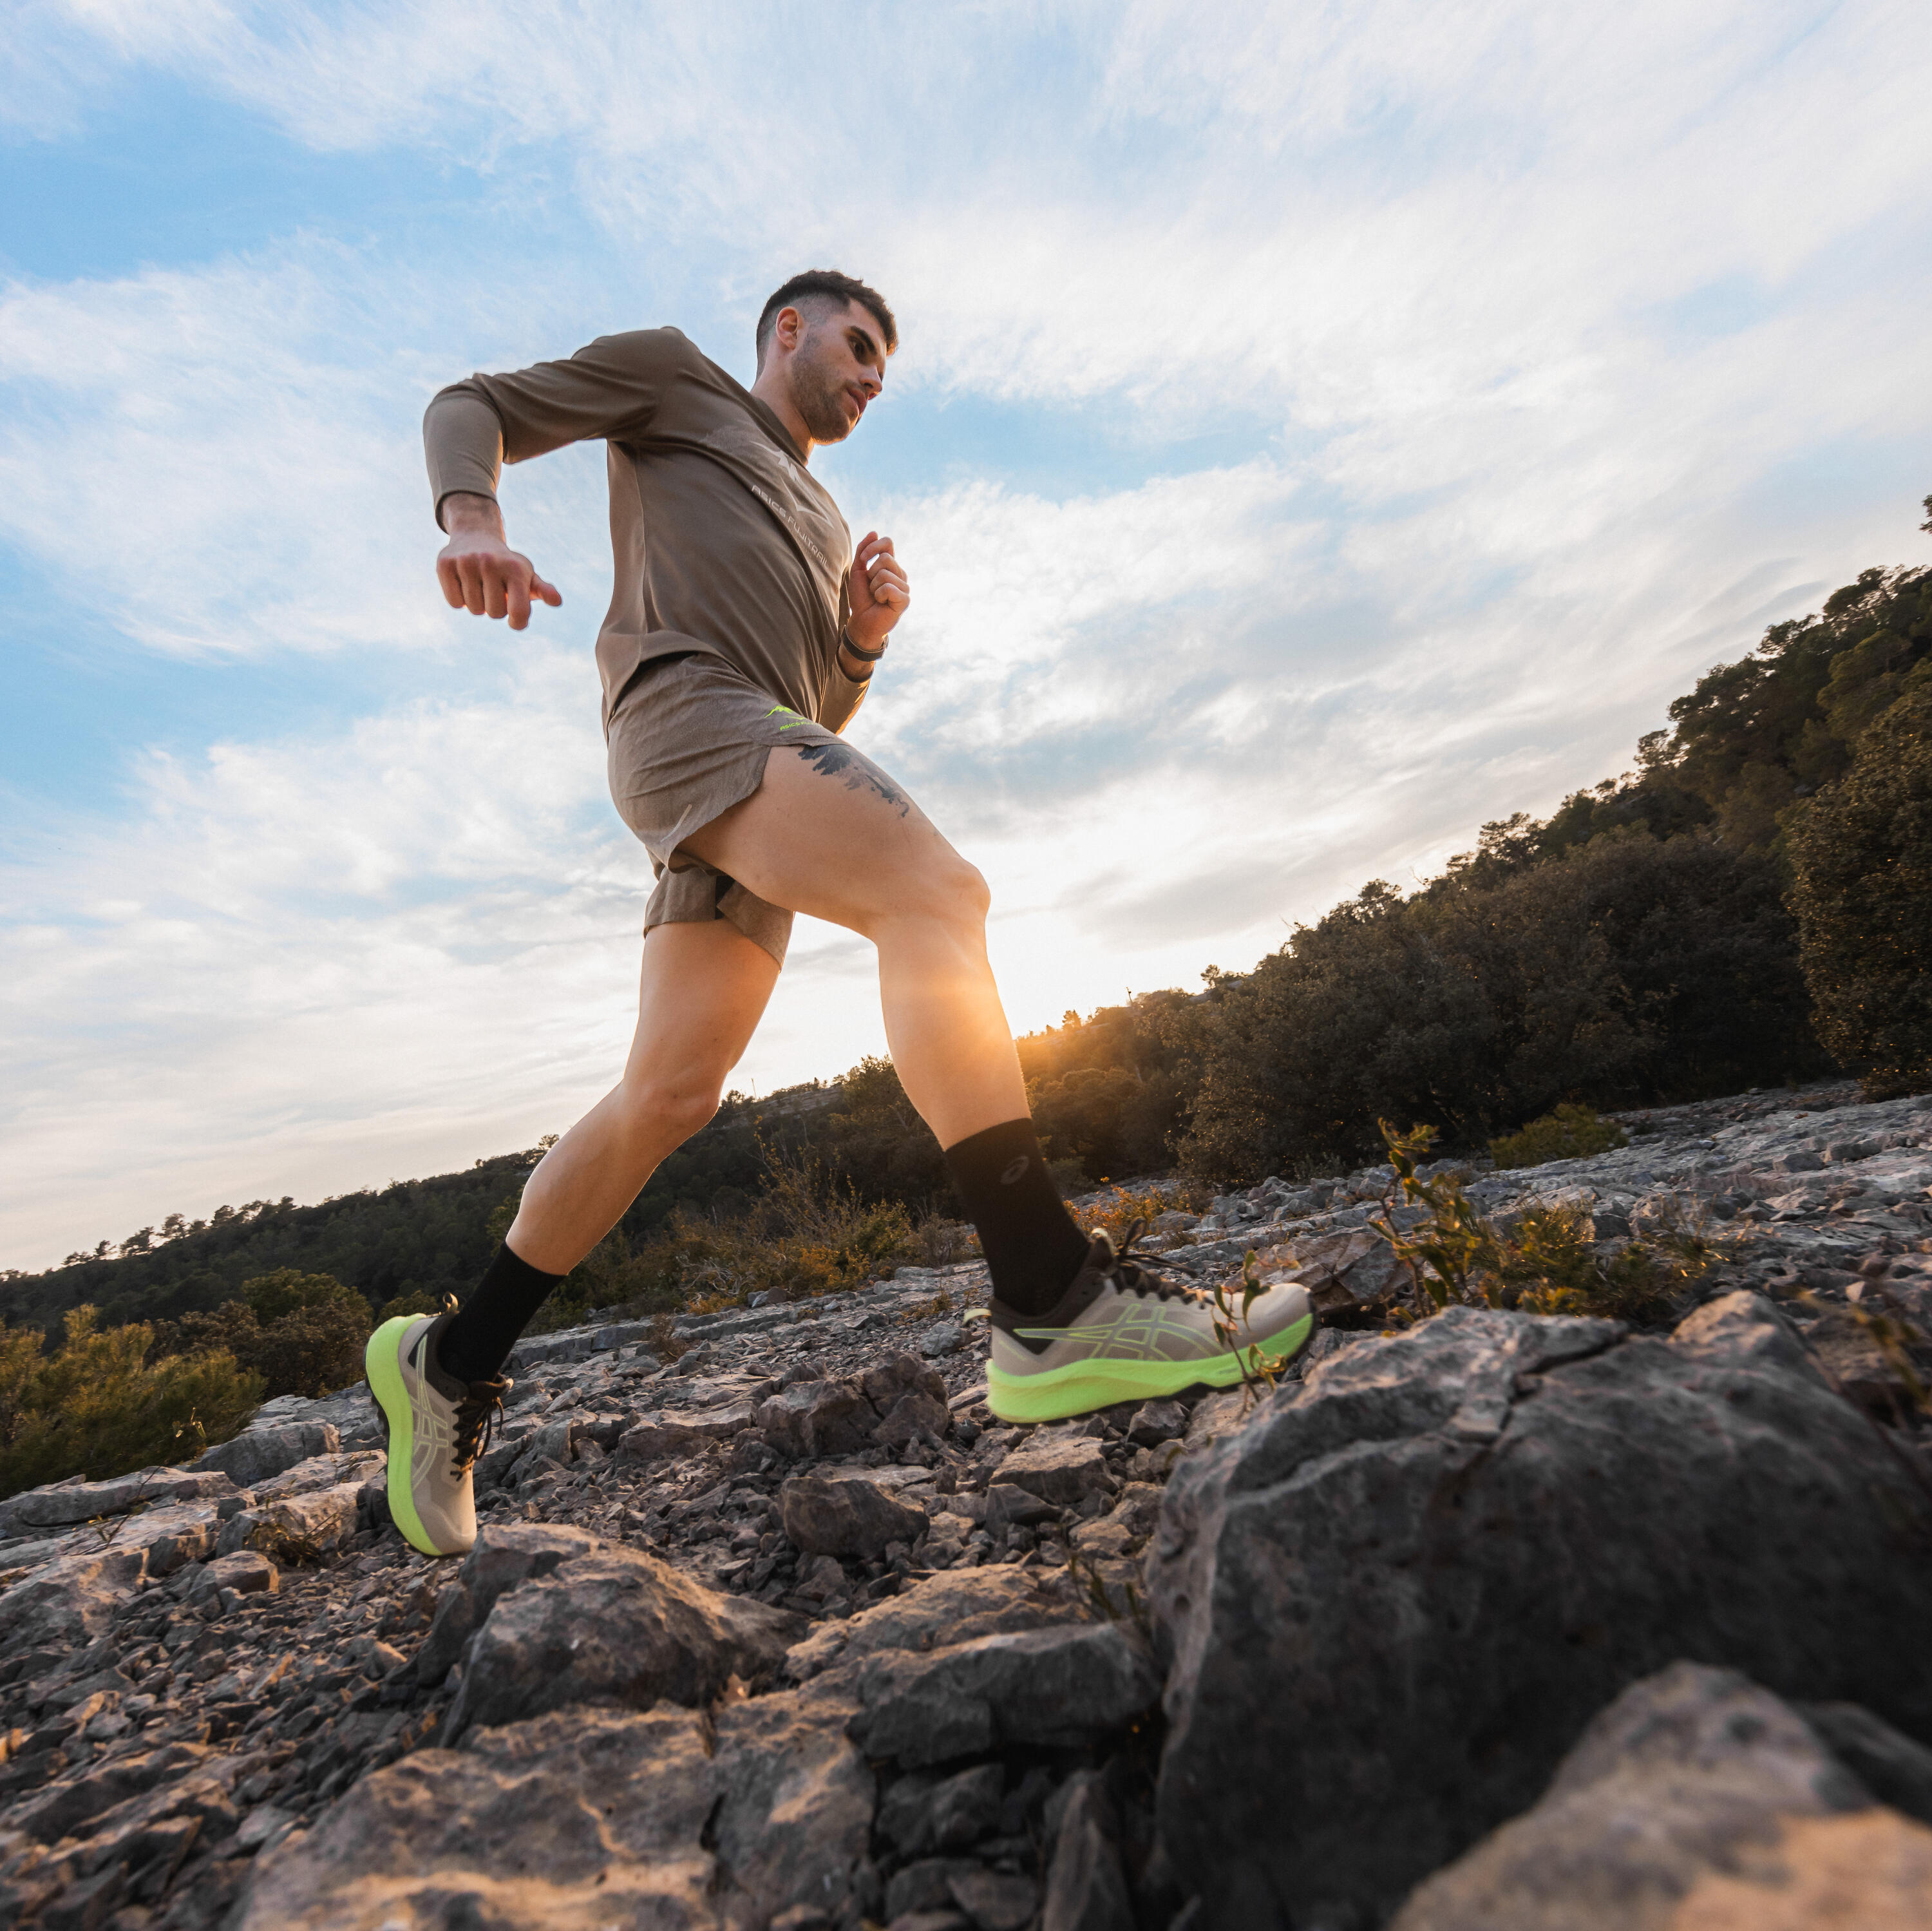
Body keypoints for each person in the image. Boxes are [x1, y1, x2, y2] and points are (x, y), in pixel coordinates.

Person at [365, 270, 1313, 1557]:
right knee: (939, 891)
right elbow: (465, 401)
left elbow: (814, 723)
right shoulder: (673, 374)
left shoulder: (823, 513)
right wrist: (472, 514)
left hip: (748, 751)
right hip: (685, 714)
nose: (870, 375)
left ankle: (454, 1355)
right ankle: (1050, 1292)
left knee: (669, 1094)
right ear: (790, 331)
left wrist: (858, 640)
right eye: (858, 346)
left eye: (883, 366)